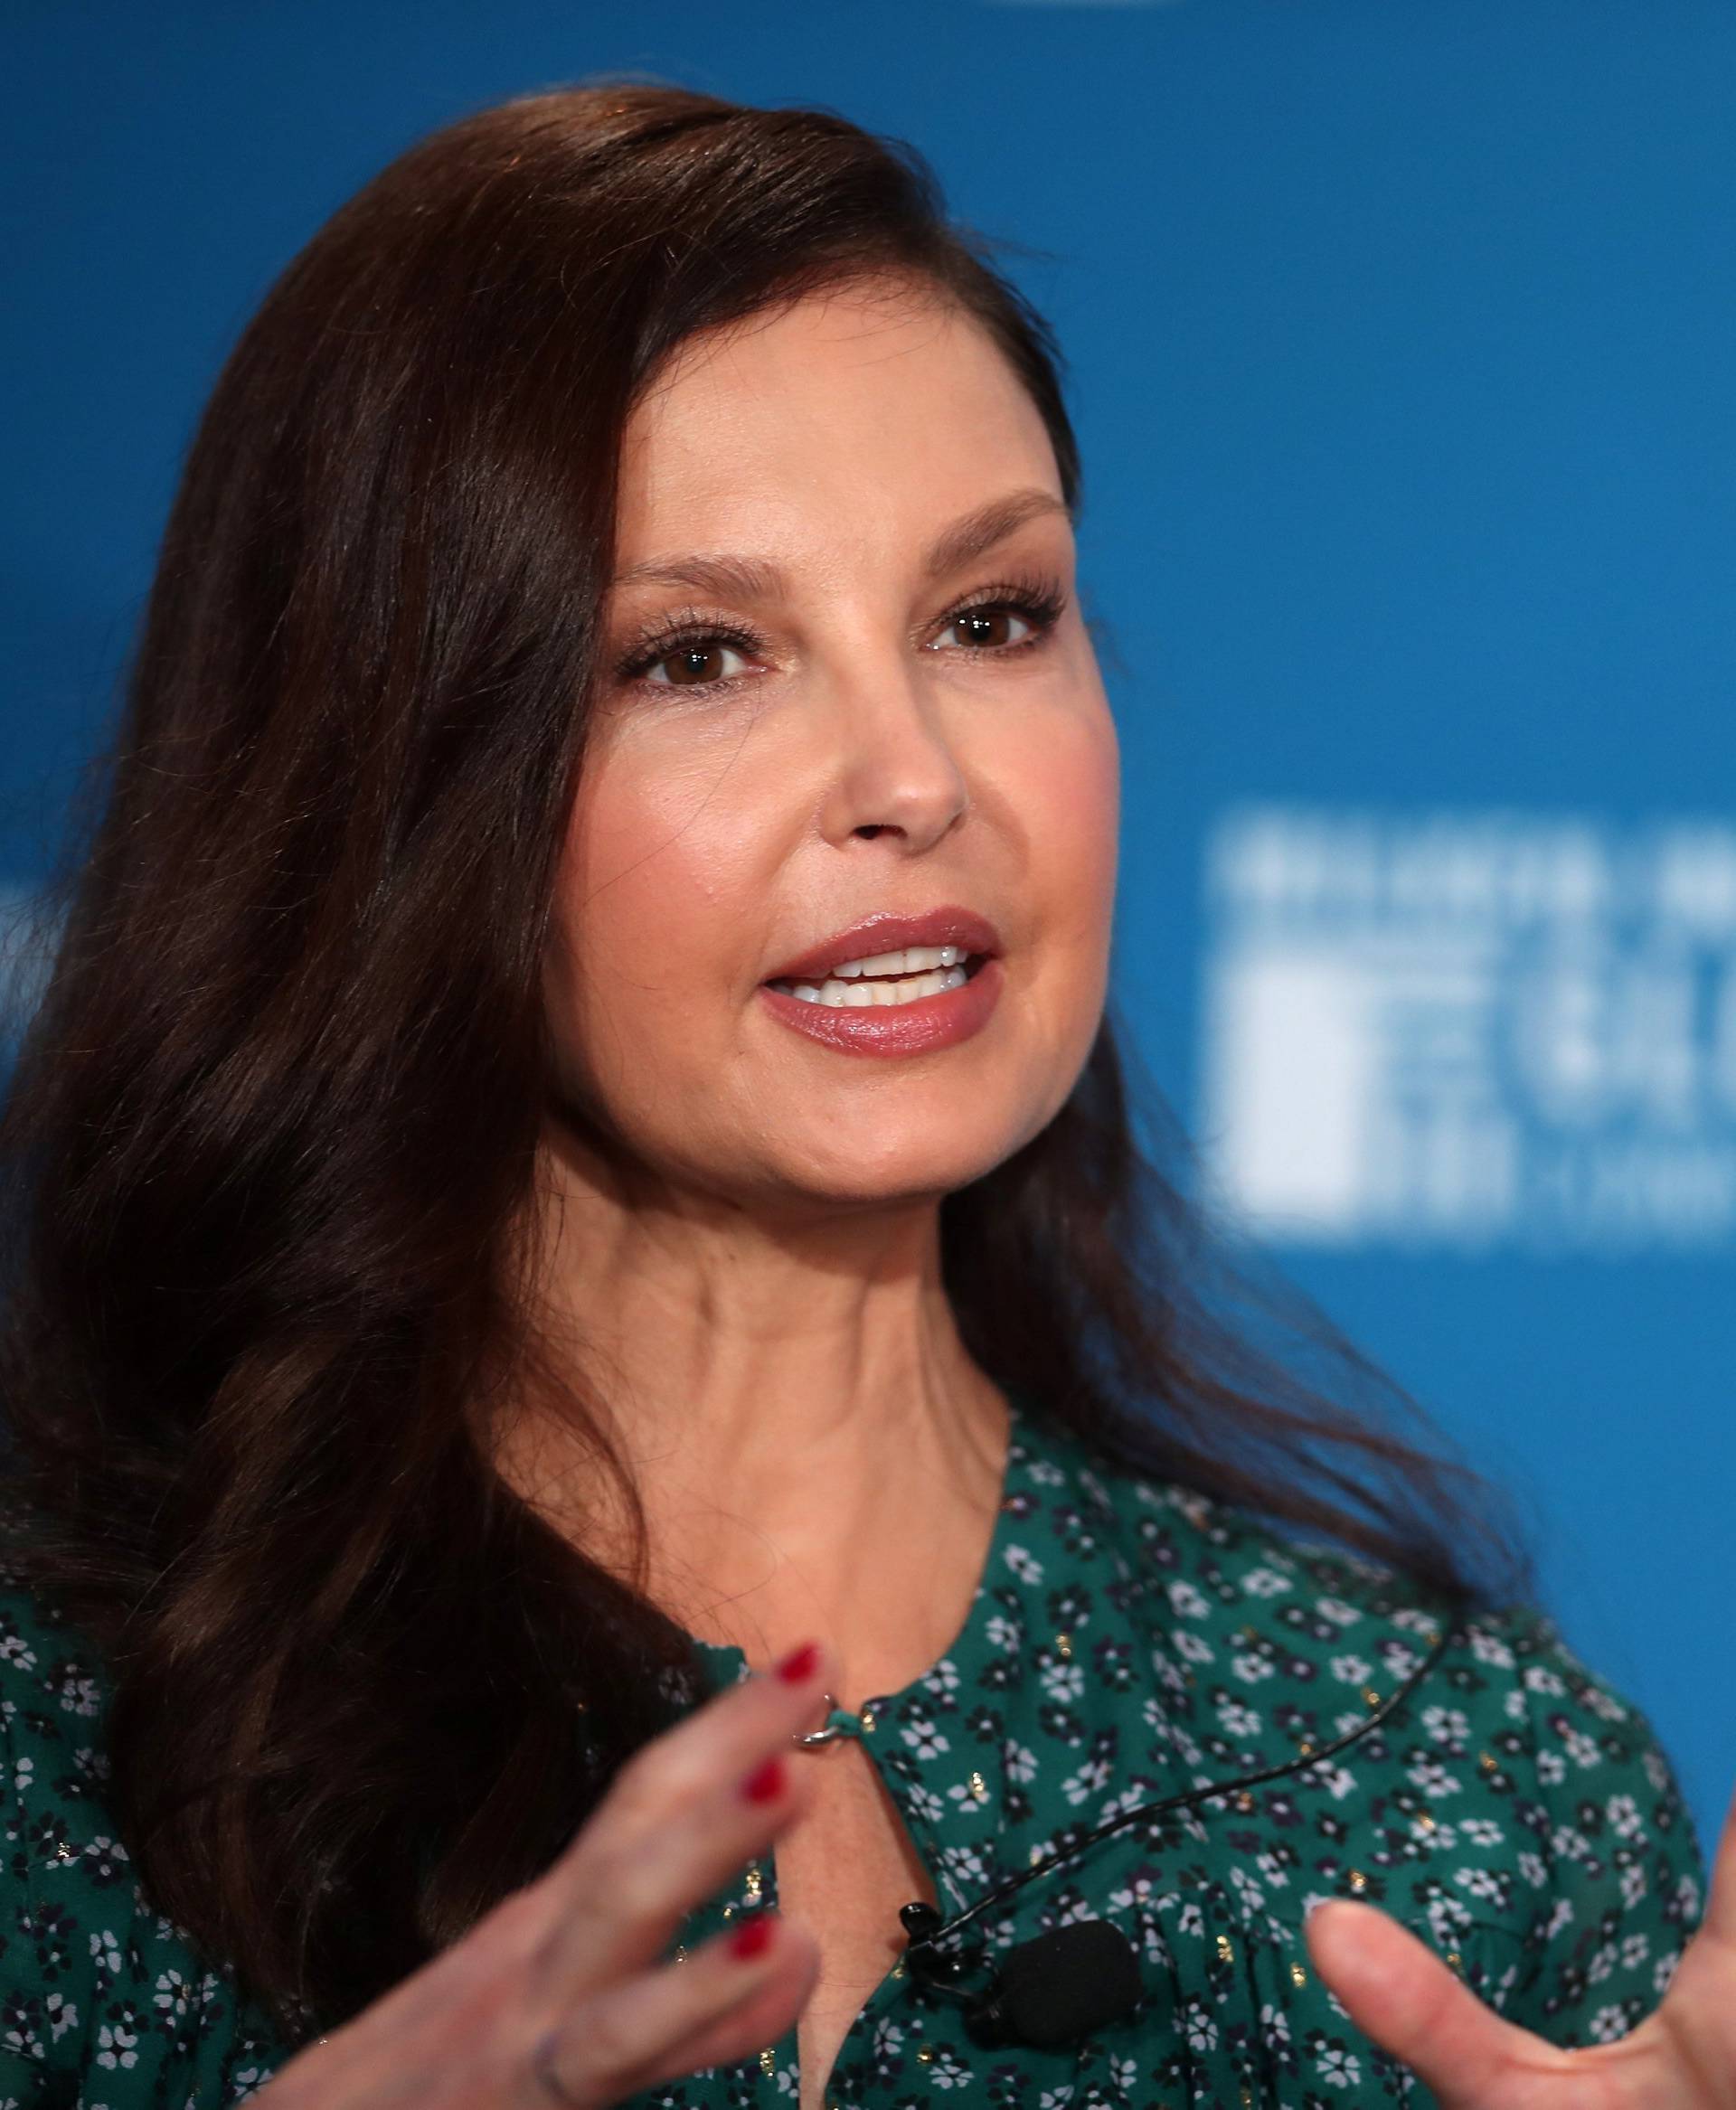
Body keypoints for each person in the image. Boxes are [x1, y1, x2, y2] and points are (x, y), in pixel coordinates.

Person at [0, 80, 1728, 2110]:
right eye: (698, 657)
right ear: (391, 776)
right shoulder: (59, 1757)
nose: (914, 776)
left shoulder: (1462, 1779)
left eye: (989, 618)